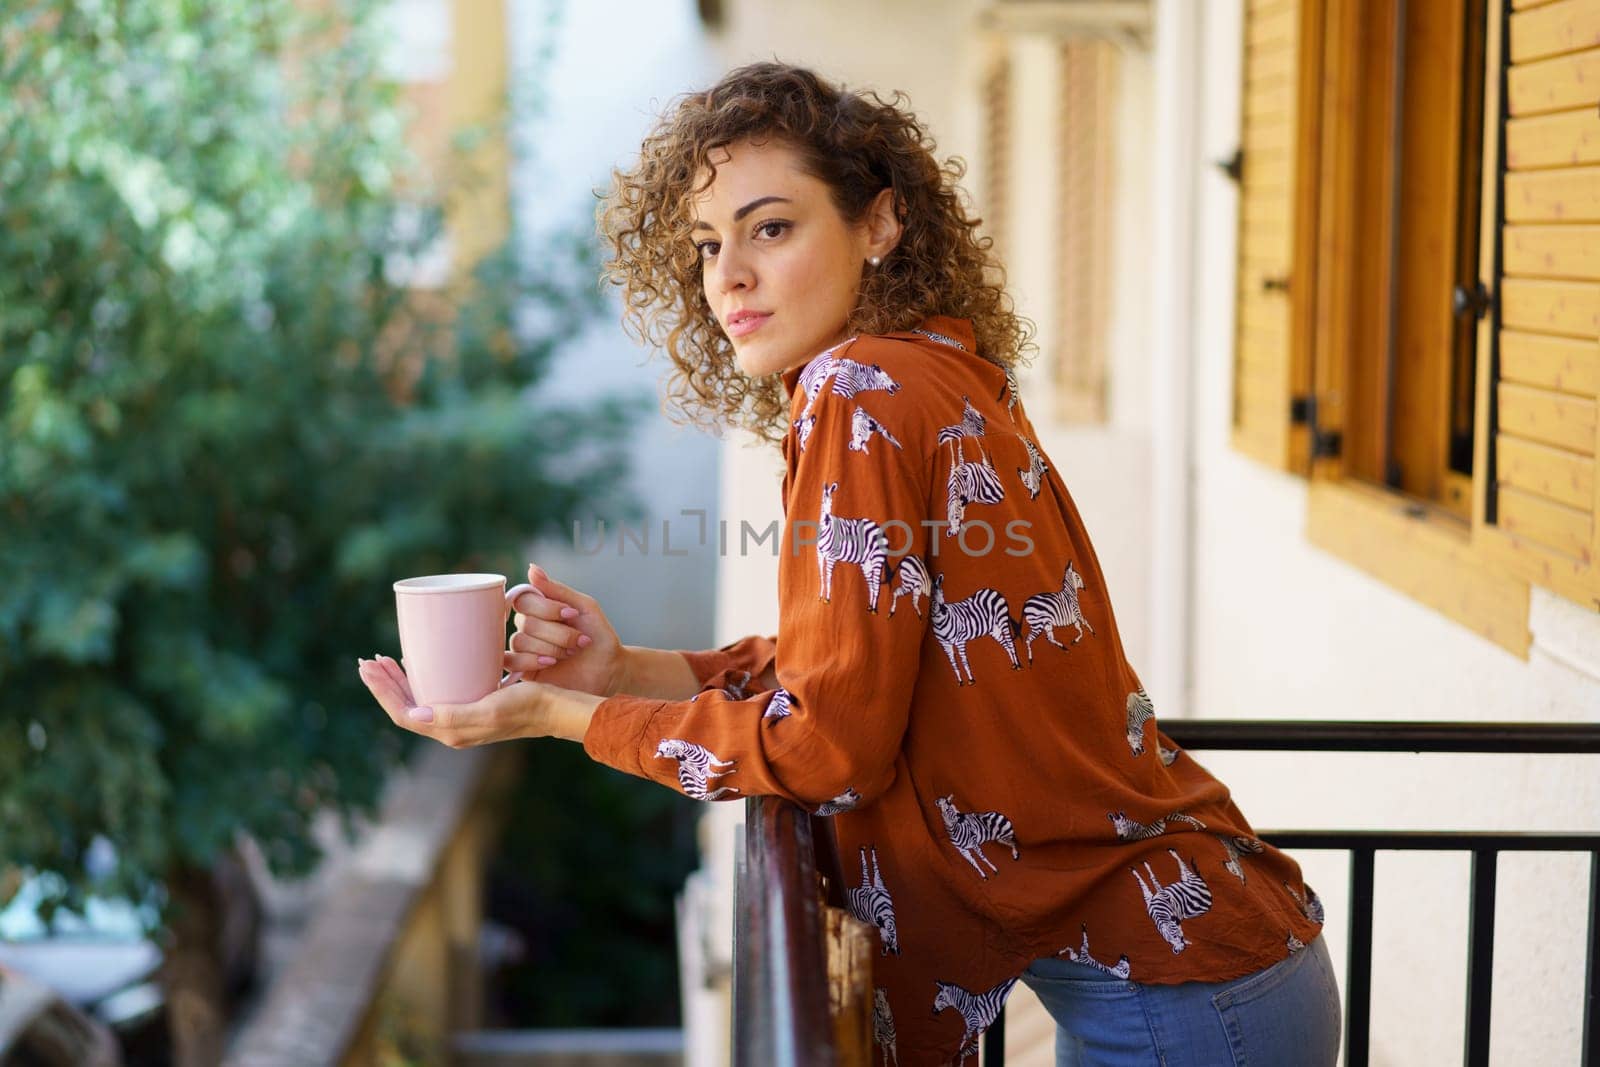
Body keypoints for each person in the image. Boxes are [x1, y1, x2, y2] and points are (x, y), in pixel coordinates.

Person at [357, 61, 1342, 1066]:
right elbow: (848, 666)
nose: (726, 276)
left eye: (769, 227)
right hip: (1214, 973)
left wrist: (558, 715)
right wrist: (620, 673)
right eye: (707, 244)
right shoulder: (930, 369)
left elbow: (832, 742)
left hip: (1181, 999)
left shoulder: (861, 388)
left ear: (878, 224)